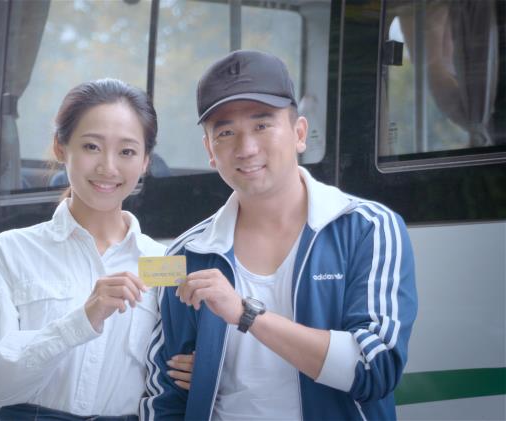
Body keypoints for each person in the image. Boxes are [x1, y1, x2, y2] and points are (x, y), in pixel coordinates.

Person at [141, 50, 418, 420]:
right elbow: (165, 396)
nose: (246, 148)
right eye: (226, 132)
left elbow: (375, 368)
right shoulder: (187, 253)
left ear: (299, 133)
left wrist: (246, 314)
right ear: (210, 150)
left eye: (262, 125)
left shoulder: (368, 228)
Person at [0, 78, 194, 420]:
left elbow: (171, 375)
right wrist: (82, 320)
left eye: (127, 151)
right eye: (92, 146)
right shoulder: (12, 251)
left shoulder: (165, 263)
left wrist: (200, 369)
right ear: (60, 148)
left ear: (146, 161)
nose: (108, 167)